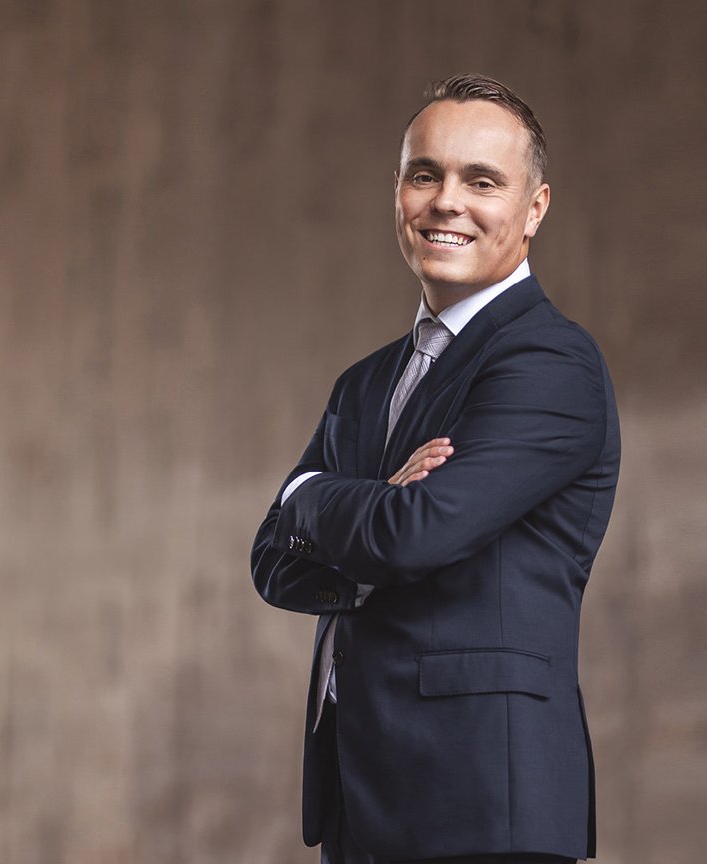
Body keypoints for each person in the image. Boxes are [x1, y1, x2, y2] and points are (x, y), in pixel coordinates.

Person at [251, 73, 620, 863]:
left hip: (480, 798)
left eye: (482, 182)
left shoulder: (550, 363)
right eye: (425, 175)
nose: (446, 202)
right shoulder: (364, 382)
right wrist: (369, 508)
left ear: (535, 208)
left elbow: (413, 534)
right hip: (360, 792)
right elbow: (272, 563)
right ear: (399, 191)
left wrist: (310, 493)